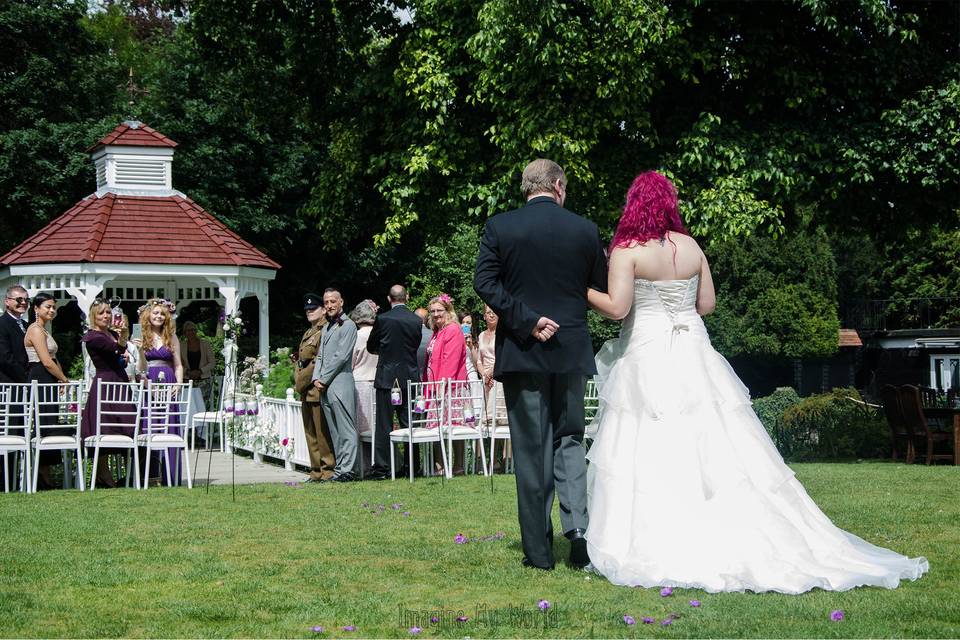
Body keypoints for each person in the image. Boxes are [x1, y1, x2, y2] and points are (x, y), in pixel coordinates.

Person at [584, 170, 928, 593]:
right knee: (715, 438)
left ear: (632, 206)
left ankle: (653, 534)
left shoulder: (627, 250)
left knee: (648, 439)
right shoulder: (692, 248)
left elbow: (617, 309)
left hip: (648, 352)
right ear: (670, 203)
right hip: (694, 349)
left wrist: (581, 290)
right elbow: (706, 305)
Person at [474, 158, 607, 571]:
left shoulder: (501, 227)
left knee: (532, 451)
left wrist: (528, 321)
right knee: (570, 440)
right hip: (570, 351)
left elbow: (485, 283)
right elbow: (597, 286)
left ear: (527, 188)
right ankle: (579, 534)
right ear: (559, 185)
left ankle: (539, 552)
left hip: (523, 352)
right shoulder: (585, 230)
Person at [365, 285, 422, 480]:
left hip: (387, 378)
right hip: (409, 377)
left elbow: (371, 345)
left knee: (384, 424)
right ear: (407, 297)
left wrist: (384, 352)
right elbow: (415, 345)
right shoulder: (416, 320)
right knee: (409, 423)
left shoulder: (383, 319)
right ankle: (412, 466)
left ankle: (382, 468)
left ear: (389, 299)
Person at [80, 300, 131, 488]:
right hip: (105, 383)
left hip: (119, 381)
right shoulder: (93, 336)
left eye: (108, 312)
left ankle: (131, 473)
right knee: (103, 427)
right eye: (101, 313)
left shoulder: (109, 334)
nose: (106, 316)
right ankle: (103, 474)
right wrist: (123, 340)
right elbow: (115, 350)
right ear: (94, 315)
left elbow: (119, 358)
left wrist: (122, 351)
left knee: (126, 424)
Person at [24, 293, 72, 489]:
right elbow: (45, 360)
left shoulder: (44, 330)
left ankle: (47, 473)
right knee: (44, 423)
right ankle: (42, 474)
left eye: (54, 307)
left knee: (50, 421)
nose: (52, 310)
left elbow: (53, 359)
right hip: (40, 375)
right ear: (36, 309)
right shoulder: (35, 330)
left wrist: (59, 378)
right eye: (47, 306)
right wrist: (65, 379)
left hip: (48, 377)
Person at [311, 288, 359, 482]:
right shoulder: (326, 327)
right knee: (334, 431)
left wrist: (323, 378)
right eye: (327, 302)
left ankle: (348, 470)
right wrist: (316, 378)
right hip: (325, 386)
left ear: (341, 302)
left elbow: (341, 357)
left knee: (346, 429)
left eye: (333, 301)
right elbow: (320, 356)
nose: (329, 305)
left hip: (340, 384)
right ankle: (339, 469)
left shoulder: (348, 326)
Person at [134, 298, 184, 485]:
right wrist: (139, 352)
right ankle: (150, 477)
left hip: (169, 382)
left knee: (170, 426)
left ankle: (171, 477)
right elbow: (139, 368)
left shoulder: (172, 337)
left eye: (163, 313)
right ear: (148, 315)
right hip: (148, 383)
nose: (159, 316)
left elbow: (178, 364)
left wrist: (178, 384)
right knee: (150, 426)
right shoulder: (141, 337)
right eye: (156, 313)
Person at [425, 293, 468, 475]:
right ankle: (439, 466)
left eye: (439, 310)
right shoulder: (437, 331)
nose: (435, 314)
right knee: (436, 427)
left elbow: (450, 360)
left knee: (455, 427)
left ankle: (458, 466)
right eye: (432, 311)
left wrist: (441, 387)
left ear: (448, 311)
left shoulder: (452, 330)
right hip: (436, 385)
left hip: (451, 387)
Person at [295, 293, 336, 483]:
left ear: (322, 310)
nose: (309, 312)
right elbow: (303, 360)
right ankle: (315, 471)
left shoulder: (325, 330)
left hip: (316, 389)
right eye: (307, 310)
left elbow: (318, 361)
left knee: (322, 434)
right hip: (306, 390)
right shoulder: (309, 332)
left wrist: (301, 381)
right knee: (310, 433)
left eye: (313, 309)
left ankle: (327, 471)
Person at [0, 285, 30, 489]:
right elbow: (5, 358)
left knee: (20, 430)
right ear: (7, 301)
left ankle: (16, 480)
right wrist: (26, 377)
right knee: (6, 432)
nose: (23, 303)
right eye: (18, 299)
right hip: (8, 385)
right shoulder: (2, 324)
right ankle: (3, 481)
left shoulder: (27, 326)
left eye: (26, 300)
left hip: (23, 389)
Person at [477, 304, 509, 472]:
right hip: (486, 381)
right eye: (488, 313)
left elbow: (504, 355)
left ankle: (505, 459)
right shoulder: (482, 335)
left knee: (501, 419)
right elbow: (479, 360)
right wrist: (484, 374)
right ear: (484, 316)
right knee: (487, 421)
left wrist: (491, 372)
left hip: (500, 379)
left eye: (494, 312)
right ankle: (489, 460)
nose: (491, 315)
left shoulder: (504, 334)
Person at [349, 299, 379, 471]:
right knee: (375, 427)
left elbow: (351, 360)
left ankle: (363, 465)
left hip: (360, 382)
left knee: (362, 428)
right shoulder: (378, 333)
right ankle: (378, 462)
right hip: (376, 380)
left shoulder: (357, 336)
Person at [179, 321, 214, 399]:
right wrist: (187, 372)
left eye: (193, 330)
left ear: (196, 331)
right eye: (188, 330)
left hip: (203, 379)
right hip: (187, 379)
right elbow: (178, 364)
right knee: (188, 403)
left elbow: (212, 363)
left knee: (203, 403)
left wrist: (200, 371)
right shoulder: (181, 346)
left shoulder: (205, 344)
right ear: (185, 333)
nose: (191, 332)